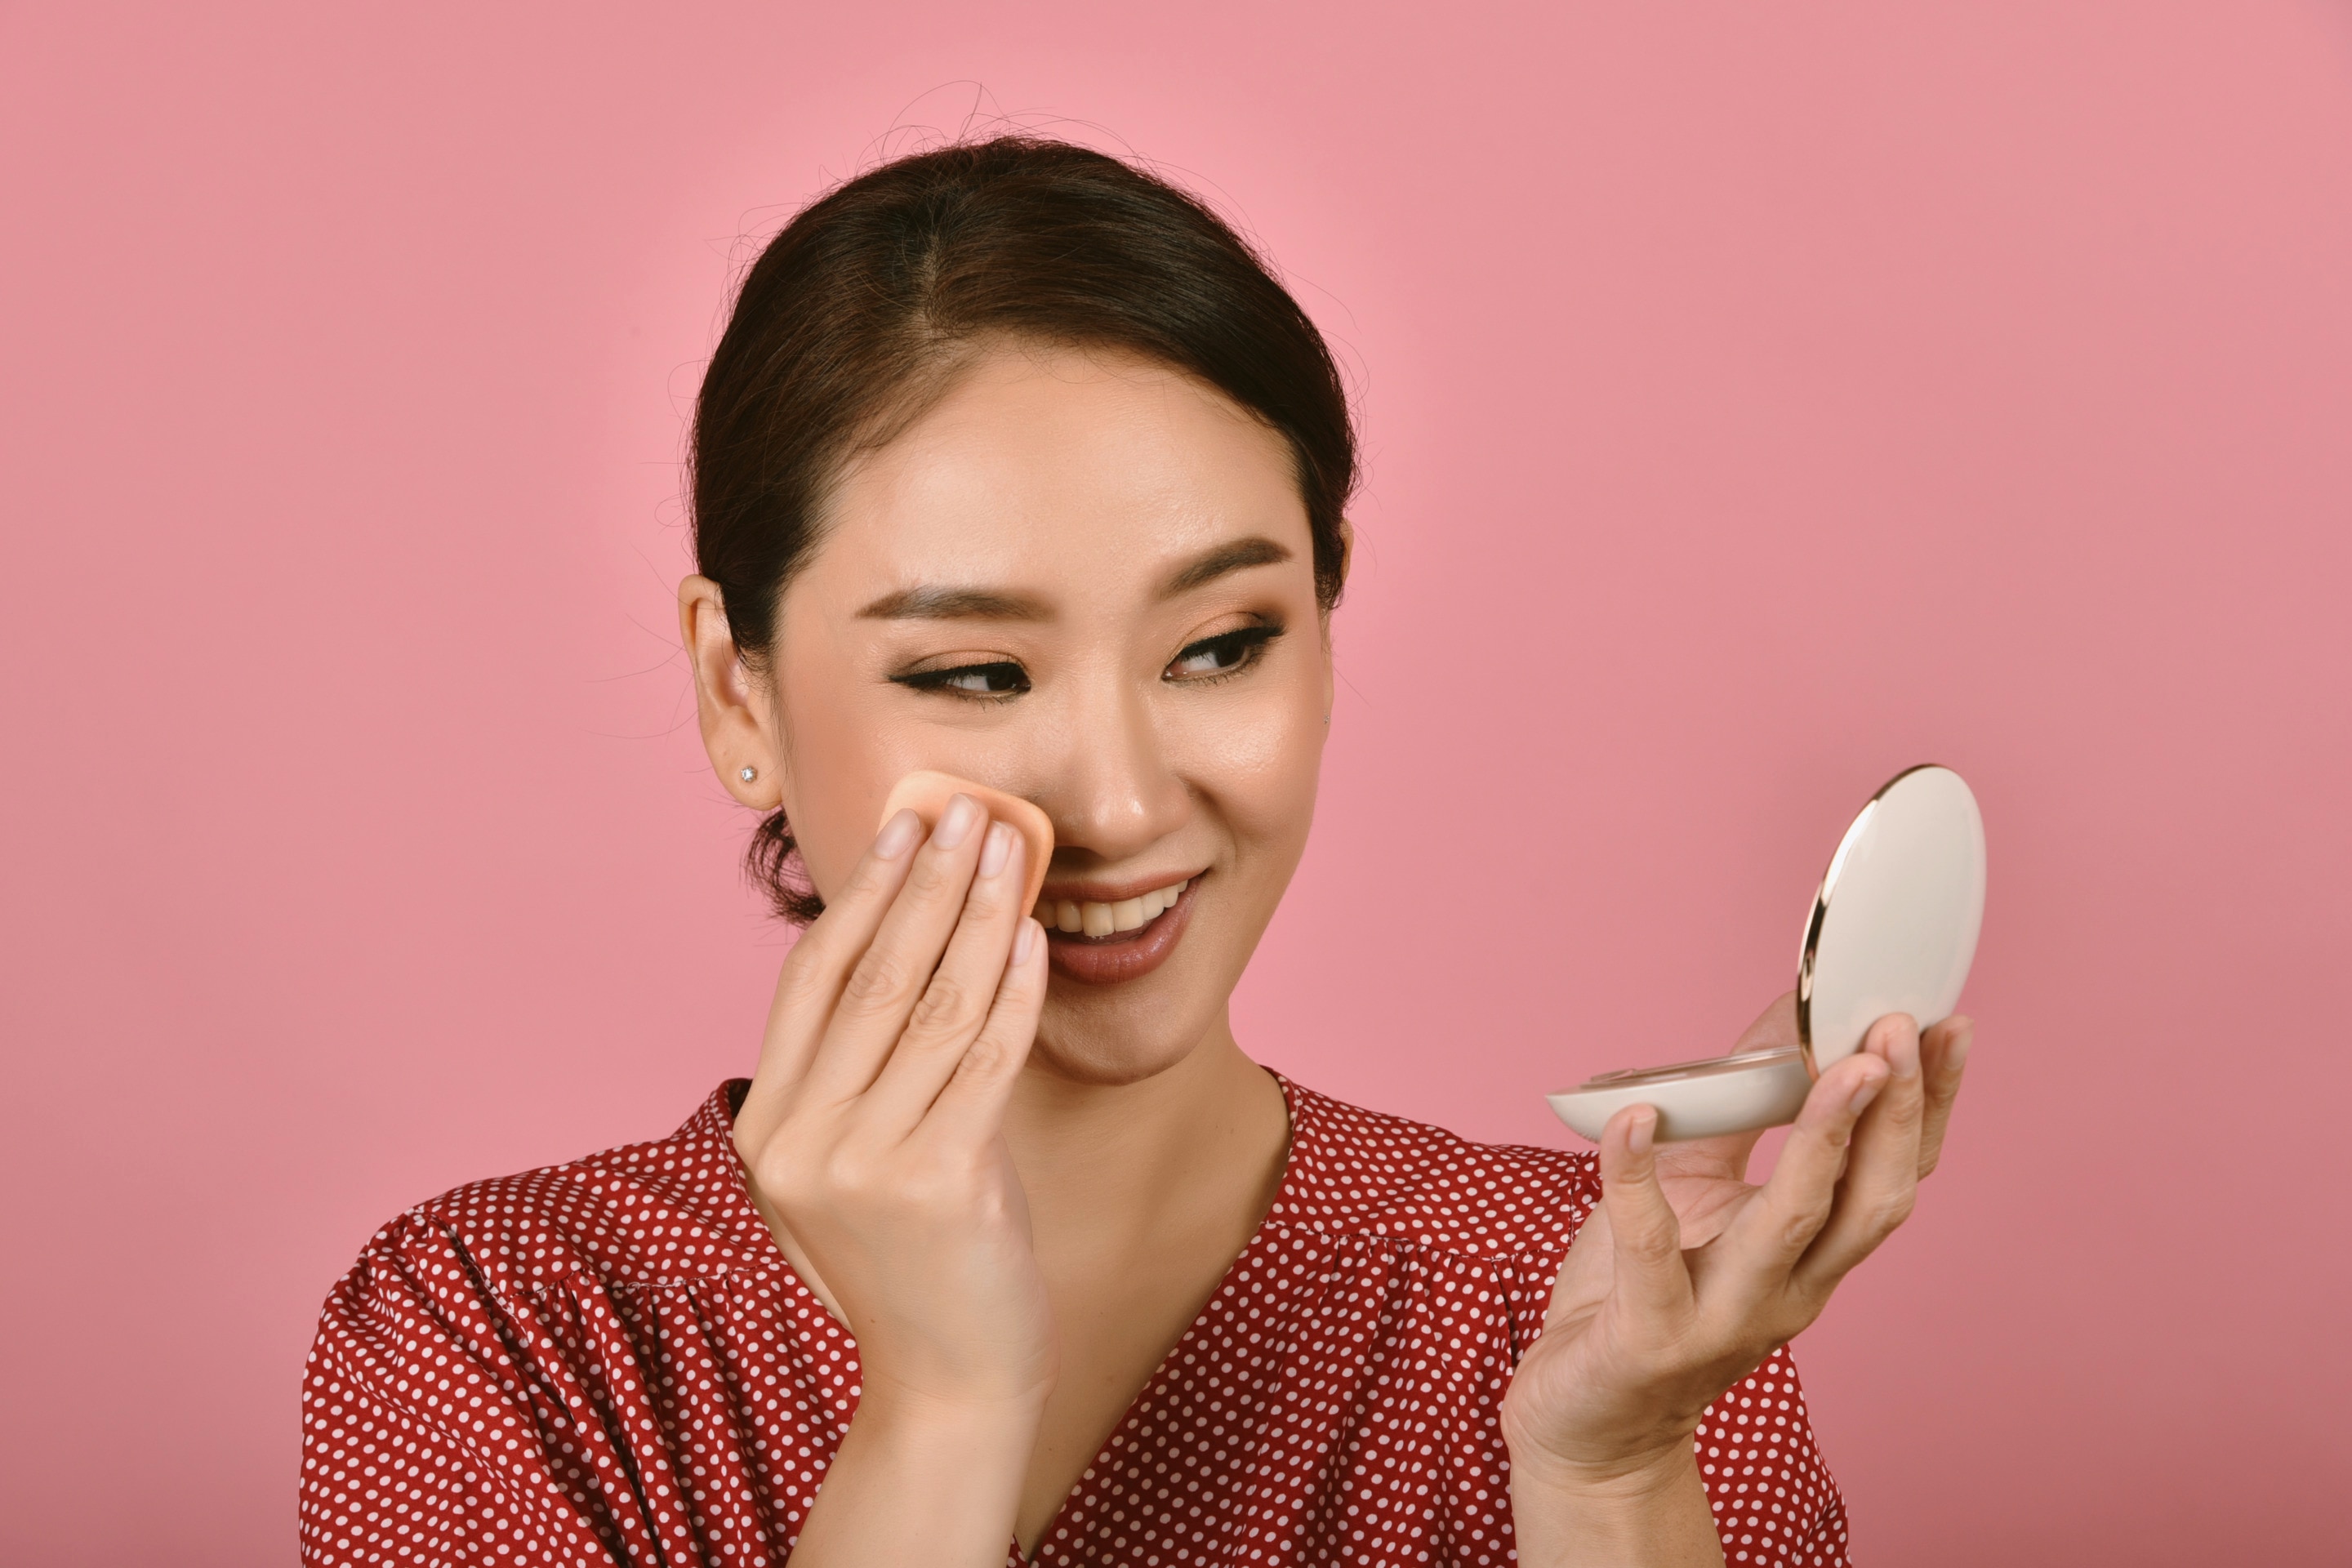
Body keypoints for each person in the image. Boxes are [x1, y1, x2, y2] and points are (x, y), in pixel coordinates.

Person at [297, 137, 1968, 1568]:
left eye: (1221, 645)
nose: (1117, 800)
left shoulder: (1597, 1306)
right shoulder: (493, 1335)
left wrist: (1608, 1473)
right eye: (972, 674)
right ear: (739, 686)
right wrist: (943, 1406)